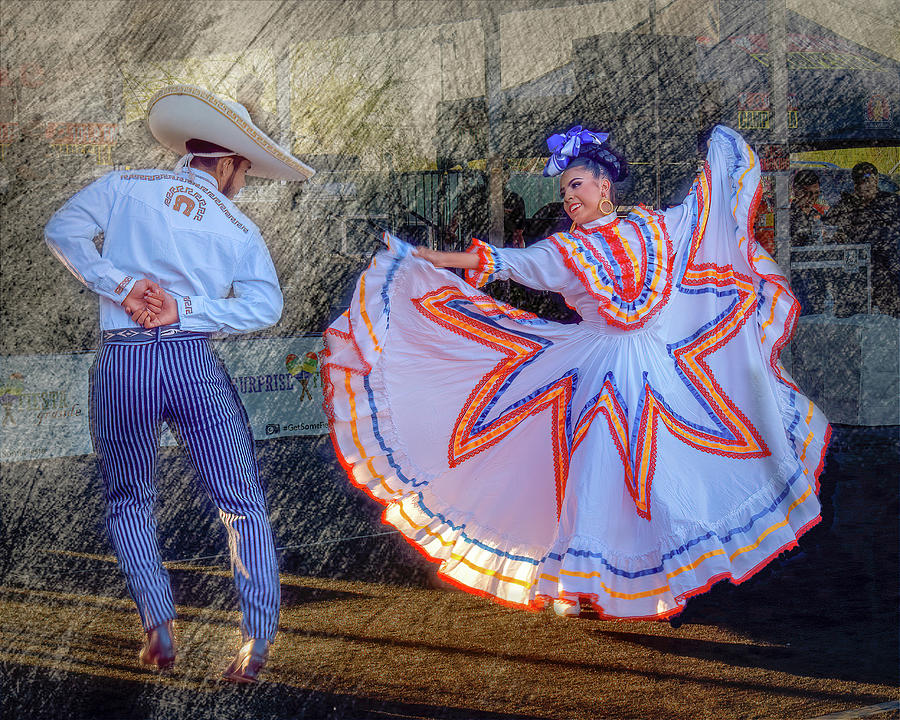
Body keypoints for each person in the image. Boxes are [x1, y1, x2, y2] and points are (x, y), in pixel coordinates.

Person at [320, 125, 830, 621]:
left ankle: (652, 576)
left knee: (665, 474)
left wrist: (719, 155)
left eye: (576, 185)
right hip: (595, 369)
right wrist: (423, 256)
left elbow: (700, 215)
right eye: (564, 190)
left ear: (604, 186)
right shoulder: (564, 251)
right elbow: (502, 262)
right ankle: (583, 579)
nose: (568, 197)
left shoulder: (651, 229)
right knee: (595, 475)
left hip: (660, 360)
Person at [44, 85, 314, 681]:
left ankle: (159, 629)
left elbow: (61, 230)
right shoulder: (238, 227)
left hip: (124, 364)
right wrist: (185, 309)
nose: (242, 184)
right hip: (193, 362)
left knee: (130, 499)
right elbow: (265, 308)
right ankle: (256, 645)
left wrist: (120, 286)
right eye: (244, 172)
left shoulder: (125, 186)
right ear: (225, 164)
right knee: (240, 504)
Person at [824, 162, 900, 316]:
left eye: (868, 179)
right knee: (852, 320)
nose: (864, 185)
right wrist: (836, 235)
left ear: (876, 180)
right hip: (857, 276)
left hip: (890, 275)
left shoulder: (892, 202)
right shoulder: (845, 206)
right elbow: (826, 229)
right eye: (859, 181)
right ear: (854, 184)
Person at [790, 169, 828, 246]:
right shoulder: (787, 216)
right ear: (796, 191)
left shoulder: (818, 214)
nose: (813, 197)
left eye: (816, 193)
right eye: (808, 193)